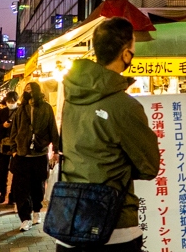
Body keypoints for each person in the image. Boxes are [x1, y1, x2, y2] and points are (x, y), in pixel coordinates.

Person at [61, 16, 161, 251]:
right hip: (114, 226)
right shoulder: (124, 106)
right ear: (126, 54)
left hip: (69, 219)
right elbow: (149, 166)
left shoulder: (71, 97)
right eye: (133, 48)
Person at [9, 80, 60, 231]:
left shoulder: (46, 108)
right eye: (26, 89)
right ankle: (25, 218)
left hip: (39, 153)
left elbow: (53, 129)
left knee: (38, 186)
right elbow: (14, 130)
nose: (28, 91)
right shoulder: (21, 109)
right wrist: (13, 149)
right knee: (21, 188)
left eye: (31, 89)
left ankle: (37, 210)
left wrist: (55, 150)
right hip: (22, 154)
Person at [0, 91, 17, 203]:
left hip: (17, 146)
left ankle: (13, 195)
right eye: (9, 101)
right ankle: (2, 192)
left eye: (12, 101)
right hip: (3, 145)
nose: (10, 103)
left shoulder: (20, 111)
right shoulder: (2, 112)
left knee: (16, 171)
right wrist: (3, 126)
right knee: (2, 171)